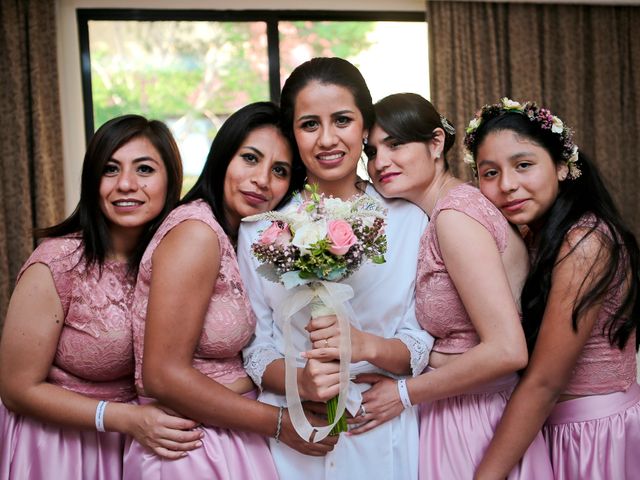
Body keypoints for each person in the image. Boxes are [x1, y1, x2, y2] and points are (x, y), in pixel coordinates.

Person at [238, 58, 431, 480]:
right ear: (293, 133)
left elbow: (421, 338)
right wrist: (301, 384)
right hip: (293, 427)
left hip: (380, 423)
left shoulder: (409, 220)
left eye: (342, 120)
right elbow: (255, 346)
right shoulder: (261, 229)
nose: (327, 139)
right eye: (309, 124)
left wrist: (366, 347)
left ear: (365, 127)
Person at [123, 101, 336, 480]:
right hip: (189, 447)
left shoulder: (240, 237)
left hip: (228, 433)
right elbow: (162, 375)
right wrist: (280, 422)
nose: (262, 181)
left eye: (280, 171)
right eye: (249, 159)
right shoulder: (196, 234)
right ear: (223, 157)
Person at [361, 93, 552, 478]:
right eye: (371, 151)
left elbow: (507, 350)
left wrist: (402, 393)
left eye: (395, 144)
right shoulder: (446, 210)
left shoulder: (455, 216)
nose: (380, 163)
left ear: (435, 143)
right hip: (454, 408)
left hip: (476, 419)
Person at [0, 115, 202, 480]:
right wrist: (127, 419)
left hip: (145, 446)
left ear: (171, 180)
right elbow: (16, 389)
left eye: (144, 169)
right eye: (110, 170)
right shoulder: (57, 264)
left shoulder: (175, 262)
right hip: (63, 449)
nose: (126, 184)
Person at [464, 98, 640, 479]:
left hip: (591, 437)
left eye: (523, 165)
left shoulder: (585, 241)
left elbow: (545, 381)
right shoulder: (532, 237)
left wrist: (485, 476)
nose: (507, 185)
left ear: (561, 166)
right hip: (547, 429)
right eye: (489, 173)